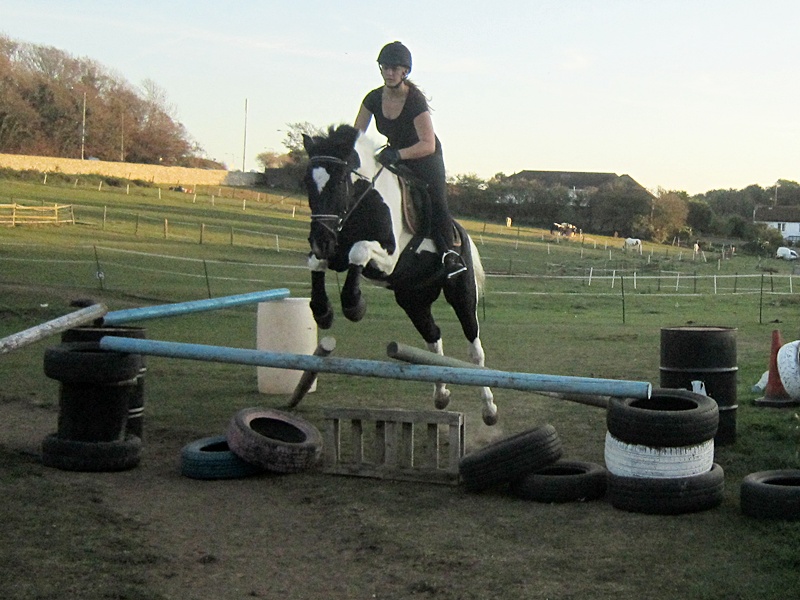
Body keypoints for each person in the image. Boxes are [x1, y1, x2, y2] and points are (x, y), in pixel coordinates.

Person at [354, 41, 466, 278]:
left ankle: (450, 255)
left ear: (405, 72)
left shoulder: (414, 100)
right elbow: (356, 136)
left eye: (394, 68)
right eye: (385, 67)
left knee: (436, 199)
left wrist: (397, 154)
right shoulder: (372, 98)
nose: (389, 73)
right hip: (395, 155)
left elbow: (428, 144)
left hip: (425, 157)